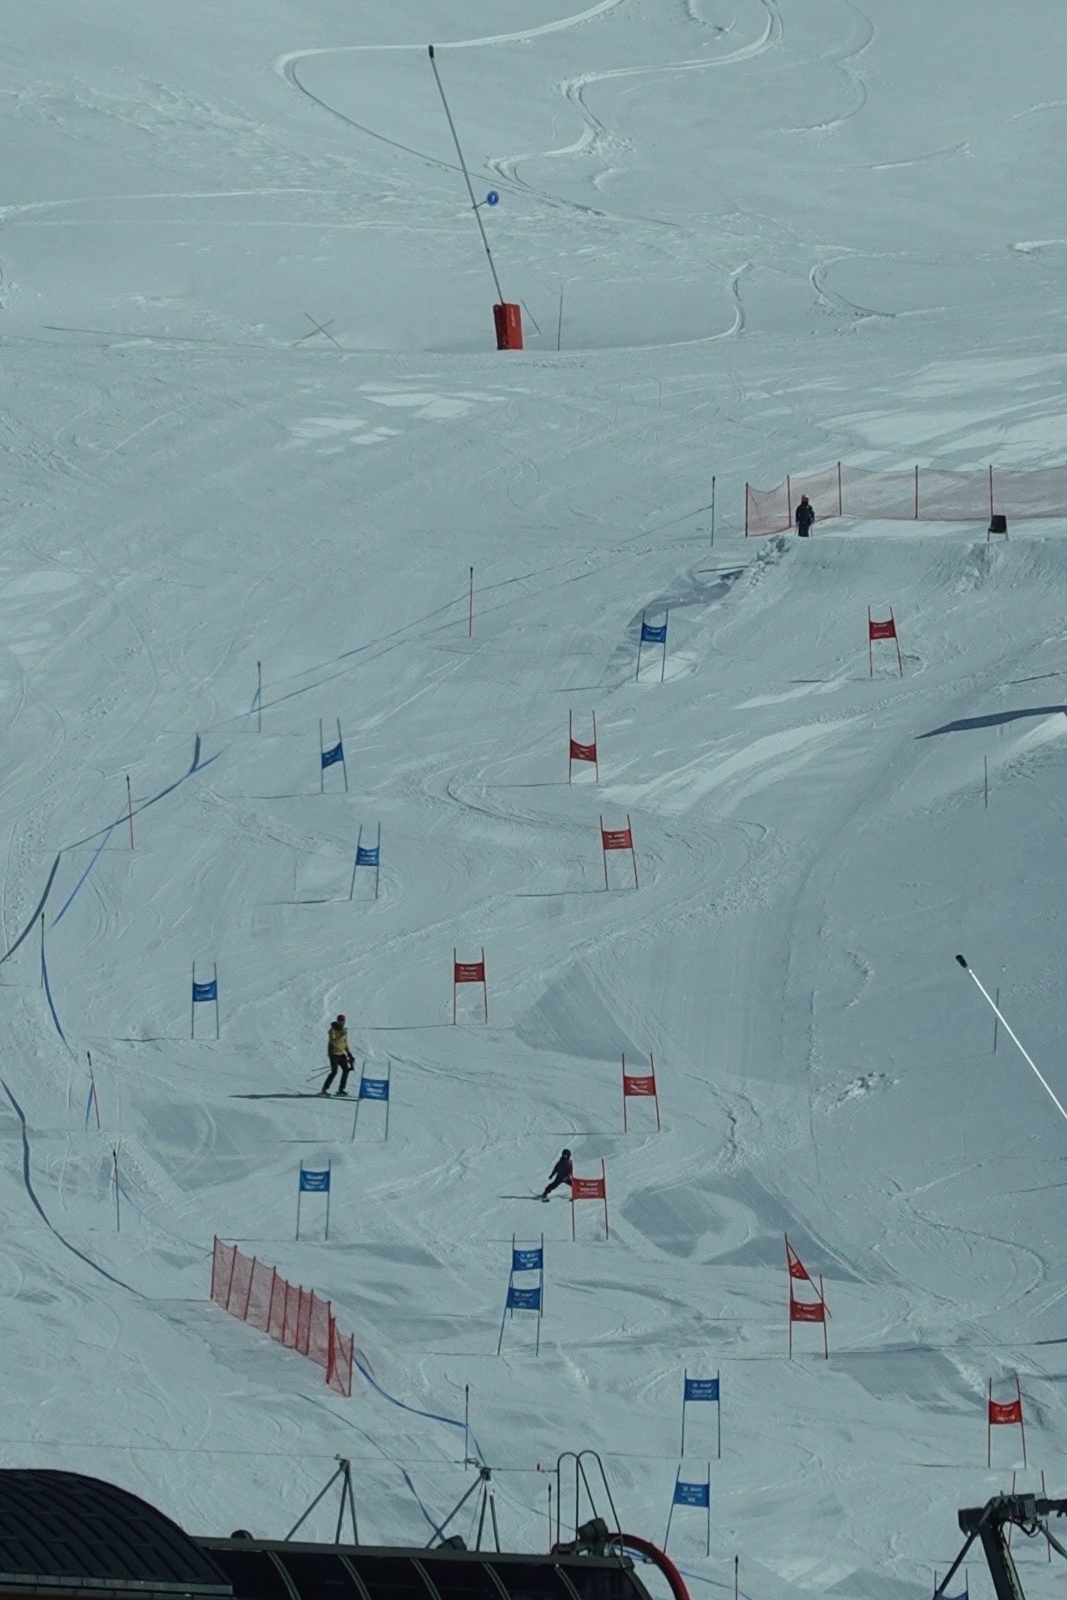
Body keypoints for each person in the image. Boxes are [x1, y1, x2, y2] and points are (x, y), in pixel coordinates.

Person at [321, 1014, 354, 1096]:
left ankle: (341, 1089)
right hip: (333, 1053)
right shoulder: (332, 1031)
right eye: (340, 1022)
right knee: (334, 1072)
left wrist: (349, 1054)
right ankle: (324, 1089)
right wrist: (341, 1035)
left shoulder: (344, 1032)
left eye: (343, 1022)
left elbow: (345, 1043)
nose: (342, 1023)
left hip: (341, 1053)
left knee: (346, 1069)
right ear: (337, 1021)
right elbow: (334, 1042)